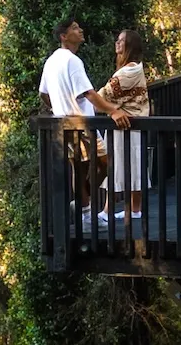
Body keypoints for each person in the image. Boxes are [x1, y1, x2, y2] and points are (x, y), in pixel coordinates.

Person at [38, 19, 131, 220]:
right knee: (108, 163)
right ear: (64, 36)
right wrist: (113, 111)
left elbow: (43, 93)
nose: (80, 30)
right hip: (83, 124)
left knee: (79, 169)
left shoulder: (51, 61)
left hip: (64, 124)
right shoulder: (72, 61)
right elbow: (88, 92)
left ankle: (85, 210)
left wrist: (56, 107)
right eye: (74, 28)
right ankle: (84, 203)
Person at [98, 28, 152, 219]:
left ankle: (107, 211)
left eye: (121, 41)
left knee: (116, 165)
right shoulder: (133, 68)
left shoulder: (129, 71)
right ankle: (134, 209)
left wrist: (86, 97)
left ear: (130, 46)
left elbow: (103, 95)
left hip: (125, 125)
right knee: (132, 164)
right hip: (132, 125)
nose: (117, 43)